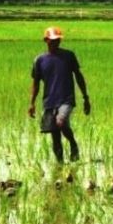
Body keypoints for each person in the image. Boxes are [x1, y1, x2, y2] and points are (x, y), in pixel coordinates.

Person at [29, 27, 90, 163]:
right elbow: (35, 84)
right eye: (53, 40)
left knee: (60, 122)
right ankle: (60, 166)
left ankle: (73, 144)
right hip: (49, 101)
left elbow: (79, 76)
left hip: (66, 98)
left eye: (58, 40)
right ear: (46, 40)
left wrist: (86, 97)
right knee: (55, 135)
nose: (56, 43)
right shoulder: (39, 60)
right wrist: (32, 103)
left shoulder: (69, 56)